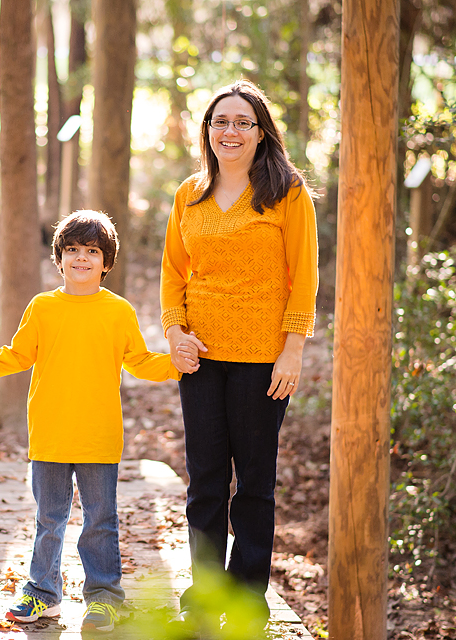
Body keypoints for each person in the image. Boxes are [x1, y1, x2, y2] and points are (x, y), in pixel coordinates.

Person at [0, 210, 197, 634]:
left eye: (91, 251)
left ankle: (104, 597)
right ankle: (42, 593)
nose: (81, 258)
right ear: (59, 258)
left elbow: (139, 361)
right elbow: (16, 355)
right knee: (50, 519)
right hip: (49, 433)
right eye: (72, 250)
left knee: (101, 520)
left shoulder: (117, 311)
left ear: (106, 262)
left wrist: (175, 366)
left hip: (99, 436)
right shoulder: (43, 307)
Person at [160, 80, 318, 630]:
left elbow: (304, 277)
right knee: (204, 482)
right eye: (220, 121)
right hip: (200, 358)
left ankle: (248, 601)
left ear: (260, 132)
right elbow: (173, 272)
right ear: (207, 131)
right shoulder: (190, 193)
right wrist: (175, 332)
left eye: (242, 122)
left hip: (262, 360)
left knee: (253, 483)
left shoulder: (287, 193)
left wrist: (293, 349)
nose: (230, 131)